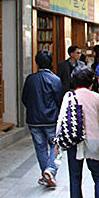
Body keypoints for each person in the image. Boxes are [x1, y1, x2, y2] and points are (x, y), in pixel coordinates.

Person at [58, 65, 99, 198]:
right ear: (91, 81)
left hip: (74, 141)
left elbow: (61, 120)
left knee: (75, 176)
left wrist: (57, 144)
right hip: (93, 141)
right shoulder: (96, 97)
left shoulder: (69, 96)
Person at [22, 50, 63, 187]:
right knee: (56, 146)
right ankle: (51, 170)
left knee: (40, 148)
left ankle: (45, 175)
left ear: (36, 62)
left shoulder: (30, 79)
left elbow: (24, 99)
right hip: (51, 119)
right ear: (51, 63)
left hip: (34, 120)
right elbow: (59, 100)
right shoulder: (55, 80)